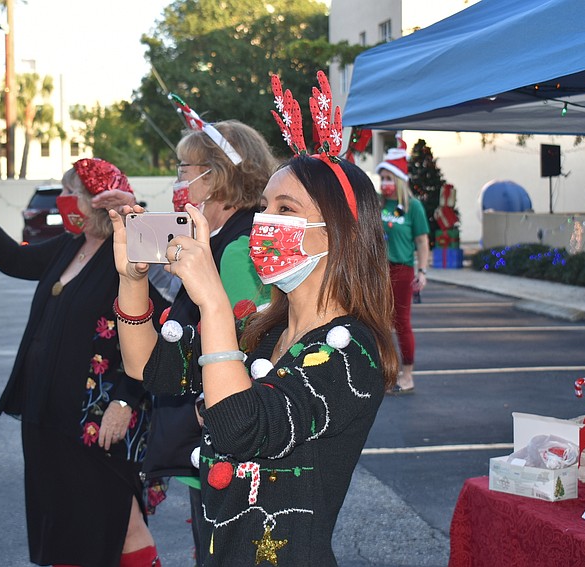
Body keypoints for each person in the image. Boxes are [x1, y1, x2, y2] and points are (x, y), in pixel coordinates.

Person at [109, 73, 398, 565]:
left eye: (285, 209)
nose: (265, 221)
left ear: (338, 234)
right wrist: (133, 280)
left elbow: (242, 429)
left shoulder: (353, 352)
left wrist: (214, 304)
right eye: (264, 206)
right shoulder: (260, 331)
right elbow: (147, 369)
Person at [0, 157, 167, 567]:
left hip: (100, 416)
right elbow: (15, 260)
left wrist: (125, 400)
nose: (61, 201)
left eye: (69, 193)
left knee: (118, 519)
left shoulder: (133, 250)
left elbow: (165, 323)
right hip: (48, 410)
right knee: (63, 520)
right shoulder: (70, 245)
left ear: (95, 201)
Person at [142, 116, 277, 565]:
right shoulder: (214, 236)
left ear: (214, 175)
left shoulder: (240, 247)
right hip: (215, 443)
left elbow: (253, 343)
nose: (179, 179)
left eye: (185, 168)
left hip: (227, 443)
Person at [376, 135, 430, 395]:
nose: (385, 184)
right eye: (382, 178)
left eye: (389, 178)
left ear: (399, 179)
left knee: (401, 323)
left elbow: (422, 241)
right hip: (376, 272)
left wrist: (422, 270)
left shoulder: (412, 206)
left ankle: (406, 375)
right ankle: (385, 373)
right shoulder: (377, 204)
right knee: (378, 323)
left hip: (401, 270)